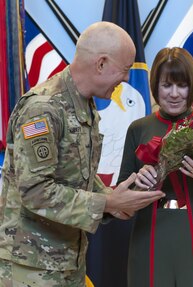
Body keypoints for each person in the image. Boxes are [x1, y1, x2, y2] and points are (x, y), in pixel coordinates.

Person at [0, 22, 165, 286]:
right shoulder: (43, 109)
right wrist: (108, 204)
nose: (125, 79)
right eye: (124, 70)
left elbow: (77, 176)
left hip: (68, 260)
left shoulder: (84, 103)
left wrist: (115, 200)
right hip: (30, 265)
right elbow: (35, 191)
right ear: (101, 64)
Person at [118, 47, 193, 287]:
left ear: (192, 87)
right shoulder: (137, 129)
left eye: (181, 85)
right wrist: (138, 182)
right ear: (154, 86)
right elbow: (121, 195)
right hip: (150, 236)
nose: (174, 94)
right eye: (166, 85)